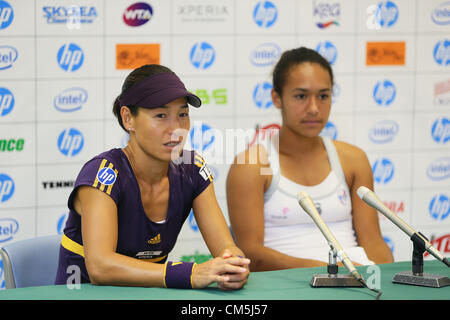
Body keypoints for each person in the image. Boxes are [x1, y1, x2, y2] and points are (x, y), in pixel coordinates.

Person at [55, 64, 250, 289]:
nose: (176, 129)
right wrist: (190, 274)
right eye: (160, 115)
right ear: (128, 118)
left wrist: (233, 266)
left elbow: (226, 248)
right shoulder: (103, 173)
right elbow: (101, 267)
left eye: (183, 115)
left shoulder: (192, 169)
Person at [226, 47, 394, 272]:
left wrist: (382, 281)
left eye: (323, 96)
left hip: (356, 285)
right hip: (288, 288)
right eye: (301, 96)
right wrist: (330, 269)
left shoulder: (353, 159)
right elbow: (251, 255)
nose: (314, 108)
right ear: (277, 98)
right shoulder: (251, 165)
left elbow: (373, 242)